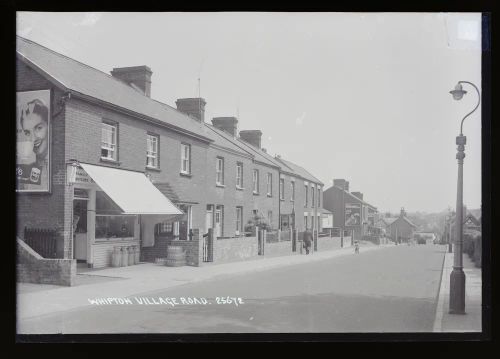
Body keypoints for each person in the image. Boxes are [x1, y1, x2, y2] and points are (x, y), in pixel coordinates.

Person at [17, 98, 49, 190]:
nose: (33, 138)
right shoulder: (26, 169)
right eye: (27, 132)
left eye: (38, 128)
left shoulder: (58, 164)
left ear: (49, 127)